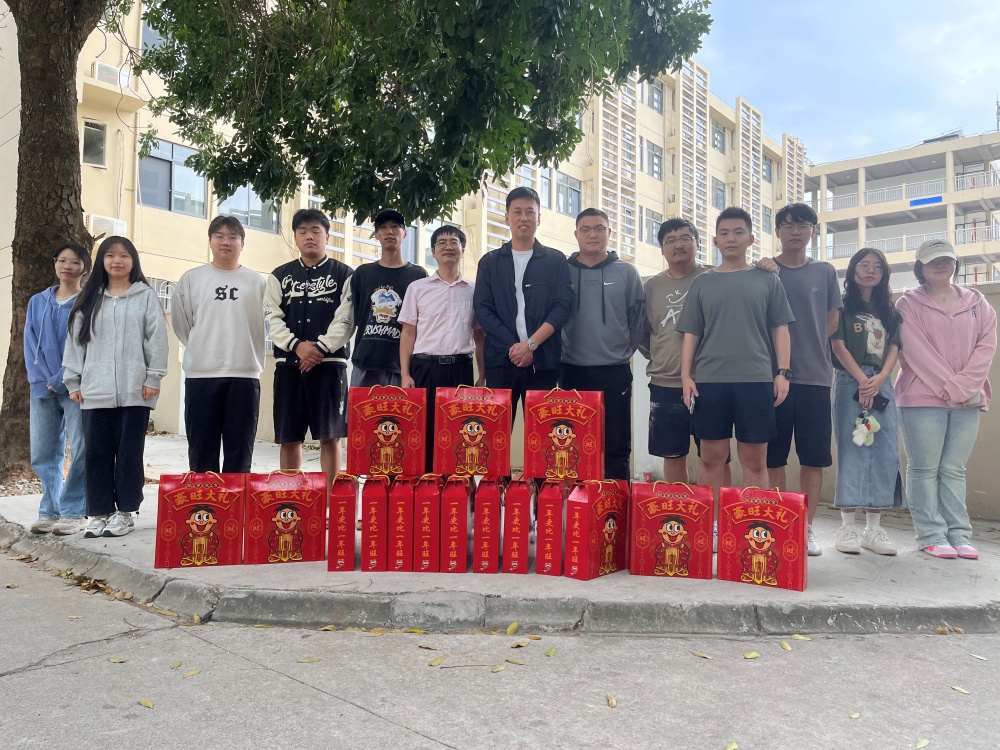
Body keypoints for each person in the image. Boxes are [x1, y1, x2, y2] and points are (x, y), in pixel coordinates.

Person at [677, 207, 794, 527]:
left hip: (756, 380)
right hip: (710, 382)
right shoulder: (702, 283)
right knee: (711, 458)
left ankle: (753, 528)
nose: (731, 238)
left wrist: (783, 372)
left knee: (755, 461)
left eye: (738, 232)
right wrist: (686, 376)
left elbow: (780, 328)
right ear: (715, 240)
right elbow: (691, 333)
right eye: (725, 233)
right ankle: (713, 527)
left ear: (751, 239)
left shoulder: (767, 279)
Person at [896, 239, 996, 559]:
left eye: (946, 259)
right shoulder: (908, 304)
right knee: (924, 468)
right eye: (932, 260)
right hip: (921, 398)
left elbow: (986, 348)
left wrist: (964, 387)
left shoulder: (978, 303)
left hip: (969, 398)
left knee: (954, 469)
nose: (940, 265)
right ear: (920, 267)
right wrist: (952, 387)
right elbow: (915, 350)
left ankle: (959, 534)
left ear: (955, 263)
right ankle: (930, 535)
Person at [63, 236, 169, 538]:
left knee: (128, 455)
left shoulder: (145, 296)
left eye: (124, 255)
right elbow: (75, 343)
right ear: (102, 261)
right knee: (96, 454)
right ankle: (99, 512)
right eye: (110, 255)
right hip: (94, 390)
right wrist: (73, 380)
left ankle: (125, 512)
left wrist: (153, 377)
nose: (117, 261)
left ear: (133, 261)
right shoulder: (89, 298)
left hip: (136, 391)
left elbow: (156, 339)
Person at [761, 203, 842, 557]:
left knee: (813, 457)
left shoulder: (824, 272)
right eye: (788, 225)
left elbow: (832, 322)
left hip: (815, 379)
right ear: (777, 230)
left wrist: (807, 345)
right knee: (773, 457)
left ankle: (805, 528)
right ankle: (781, 522)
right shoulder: (764, 270)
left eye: (803, 225)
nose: (795, 231)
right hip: (770, 378)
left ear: (813, 231)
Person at [265, 208, 354, 489]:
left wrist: (320, 349)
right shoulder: (279, 276)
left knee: (330, 437)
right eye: (302, 231)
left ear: (327, 236)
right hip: (289, 368)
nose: (309, 236)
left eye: (316, 230)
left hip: (329, 367)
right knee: (289, 437)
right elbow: (271, 317)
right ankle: (293, 498)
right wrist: (296, 346)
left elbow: (346, 318)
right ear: (295, 237)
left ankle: (330, 500)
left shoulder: (345, 274)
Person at [172, 216, 266, 473]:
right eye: (220, 236)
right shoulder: (192, 279)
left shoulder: (257, 282)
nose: (226, 242)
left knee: (240, 452)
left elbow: (266, 325)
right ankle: (205, 499)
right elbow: (182, 324)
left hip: (244, 375)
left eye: (233, 237)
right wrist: (203, 347)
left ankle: (236, 501)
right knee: (202, 452)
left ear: (242, 244)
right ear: (210, 241)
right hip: (201, 375)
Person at [473, 186, 575, 422]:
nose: (524, 217)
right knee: (496, 432)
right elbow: (483, 310)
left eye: (530, 211)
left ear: (539, 218)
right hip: (500, 361)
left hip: (543, 363)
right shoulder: (490, 262)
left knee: (542, 432)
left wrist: (531, 345)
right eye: (517, 211)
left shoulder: (556, 260)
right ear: (507, 217)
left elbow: (562, 307)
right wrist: (516, 348)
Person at [560, 208, 645, 480]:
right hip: (572, 370)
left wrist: (622, 352)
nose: (592, 234)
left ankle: (615, 500)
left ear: (609, 232)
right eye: (585, 229)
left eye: (599, 228)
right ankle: (577, 499)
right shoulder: (562, 271)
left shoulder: (627, 272)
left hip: (614, 370)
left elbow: (638, 321)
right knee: (573, 440)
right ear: (576, 234)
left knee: (616, 443)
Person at [829, 248, 903, 555]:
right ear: (852, 269)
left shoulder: (890, 311)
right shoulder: (841, 306)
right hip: (850, 380)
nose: (870, 270)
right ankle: (847, 528)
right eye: (864, 264)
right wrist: (862, 379)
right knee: (852, 450)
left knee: (884, 452)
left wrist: (881, 377)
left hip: (881, 383)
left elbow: (894, 347)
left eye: (877, 266)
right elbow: (838, 345)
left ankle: (874, 530)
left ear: (884, 273)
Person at [399, 224, 485, 472]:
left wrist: (482, 375)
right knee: (423, 432)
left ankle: (456, 488)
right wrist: (405, 374)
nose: (448, 247)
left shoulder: (474, 291)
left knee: (459, 432)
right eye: (442, 243)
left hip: (460, 370)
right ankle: (425, 485)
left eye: (454, 242)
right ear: (434, 251)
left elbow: (479, 337)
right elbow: (408, 333)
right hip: (424, 368)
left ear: (462, 251)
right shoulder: (418, 288)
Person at [24, 243, 92, 536]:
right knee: (43, 451)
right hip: (42, 387)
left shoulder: (89, 302)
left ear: (85, 268)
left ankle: (74, 511)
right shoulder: (37, 301)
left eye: (74, 262)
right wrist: (42, 380)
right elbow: (29, 342)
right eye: (62, 260)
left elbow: (89, 345)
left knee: (81, 448)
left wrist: (63, 378)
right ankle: (49, 510)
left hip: (77, 385)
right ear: (55, 264)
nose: (67, 266)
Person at [327, 208, 428, 387]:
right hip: (365, 363)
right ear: (376, 235)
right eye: (383, 227)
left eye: (395, 226)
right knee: (361, 407)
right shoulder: (362, 274)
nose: (389, 231)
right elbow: (352, 316)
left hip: (403, 367)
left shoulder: (418, 275)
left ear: (405, 233)